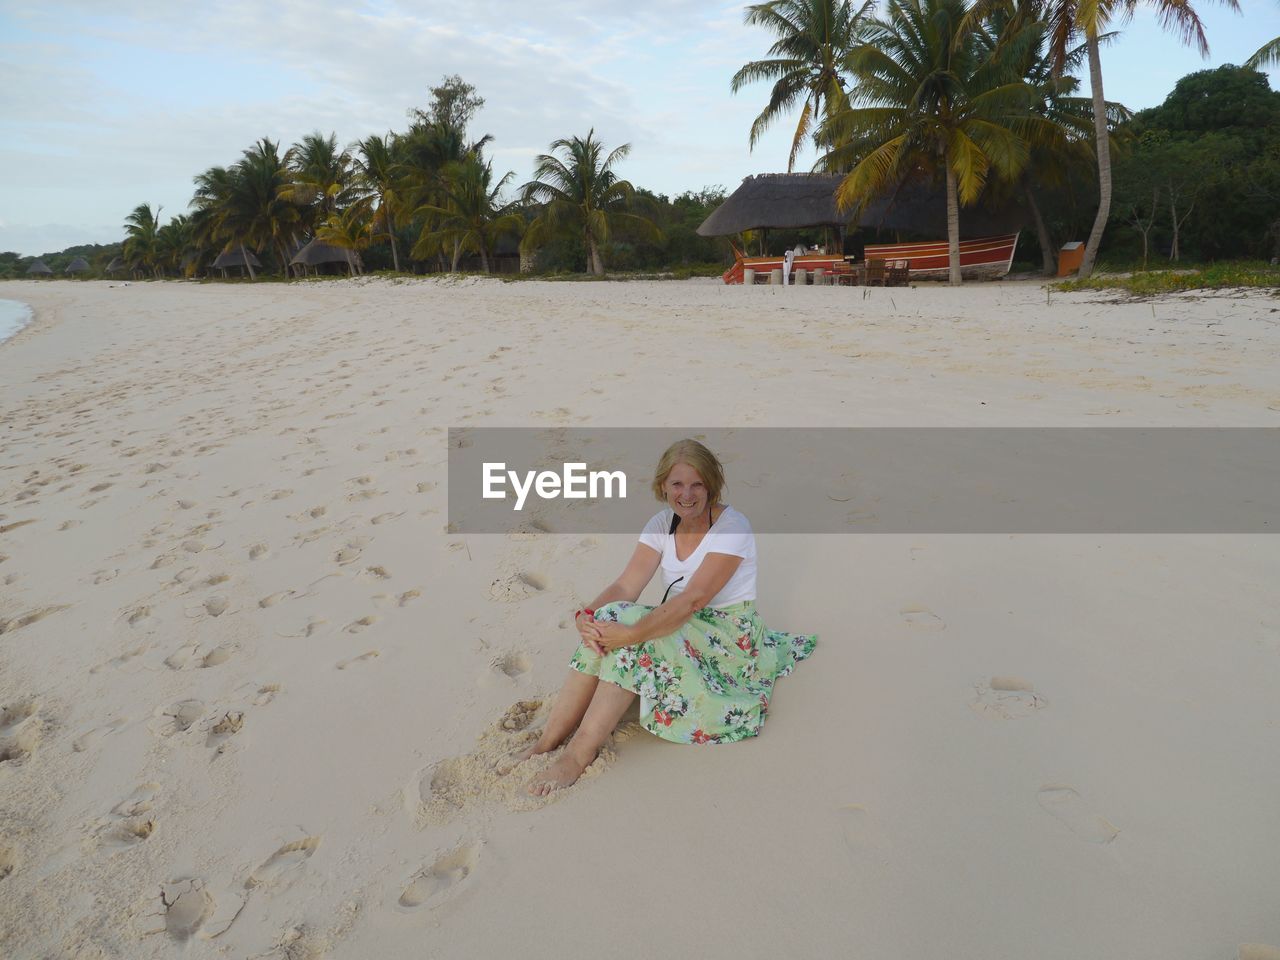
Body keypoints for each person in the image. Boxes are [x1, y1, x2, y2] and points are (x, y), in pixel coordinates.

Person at [506, 438, 818, 797]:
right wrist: (586, 616)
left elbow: (693, 600)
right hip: (682, 620)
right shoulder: (661, 523)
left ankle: (578, 753)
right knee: (608, 617)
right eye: (677, 484)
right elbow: (626, 584)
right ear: (663, 487)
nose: (687, 494)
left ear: (712, 485)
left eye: (697, 484)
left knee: (634, 635)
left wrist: (631, 634)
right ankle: (549, 739)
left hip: (726, 635)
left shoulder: (733, 527)